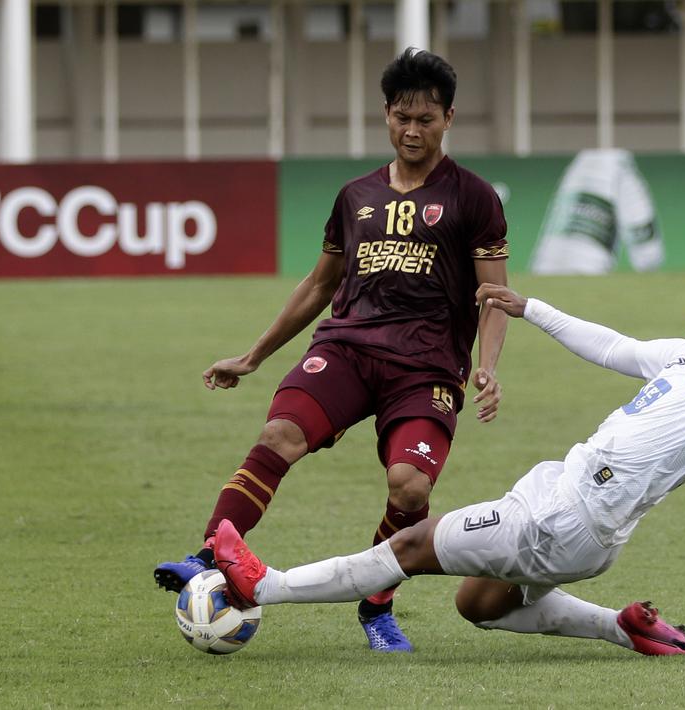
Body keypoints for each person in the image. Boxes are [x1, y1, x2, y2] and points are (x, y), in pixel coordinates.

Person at [212, 242, 685, 656]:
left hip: (569, 517)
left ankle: (262, 585)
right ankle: (626, 629)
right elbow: (614, 346)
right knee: (478, 604)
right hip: (571, 508)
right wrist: (530, 308)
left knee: (412, 545)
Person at [154, 48, 511, 652]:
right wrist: (254, 355)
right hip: (346, 350)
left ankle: (376, 605)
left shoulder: (473, 197)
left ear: (449, 119)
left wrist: (488, 366)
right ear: (386, 114)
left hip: (425, 368)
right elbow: (320, 285)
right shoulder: (355, 195)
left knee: (410, 488)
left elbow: (493, 295)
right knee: (279, 435)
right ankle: (209, 555)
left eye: (426, 119)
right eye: (402, 117)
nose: (412, 130)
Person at [530, 148, 664, 275]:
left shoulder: (581, 164)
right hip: (588, 271)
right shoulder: (621, 168)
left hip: (544, 268)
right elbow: (647, 253)